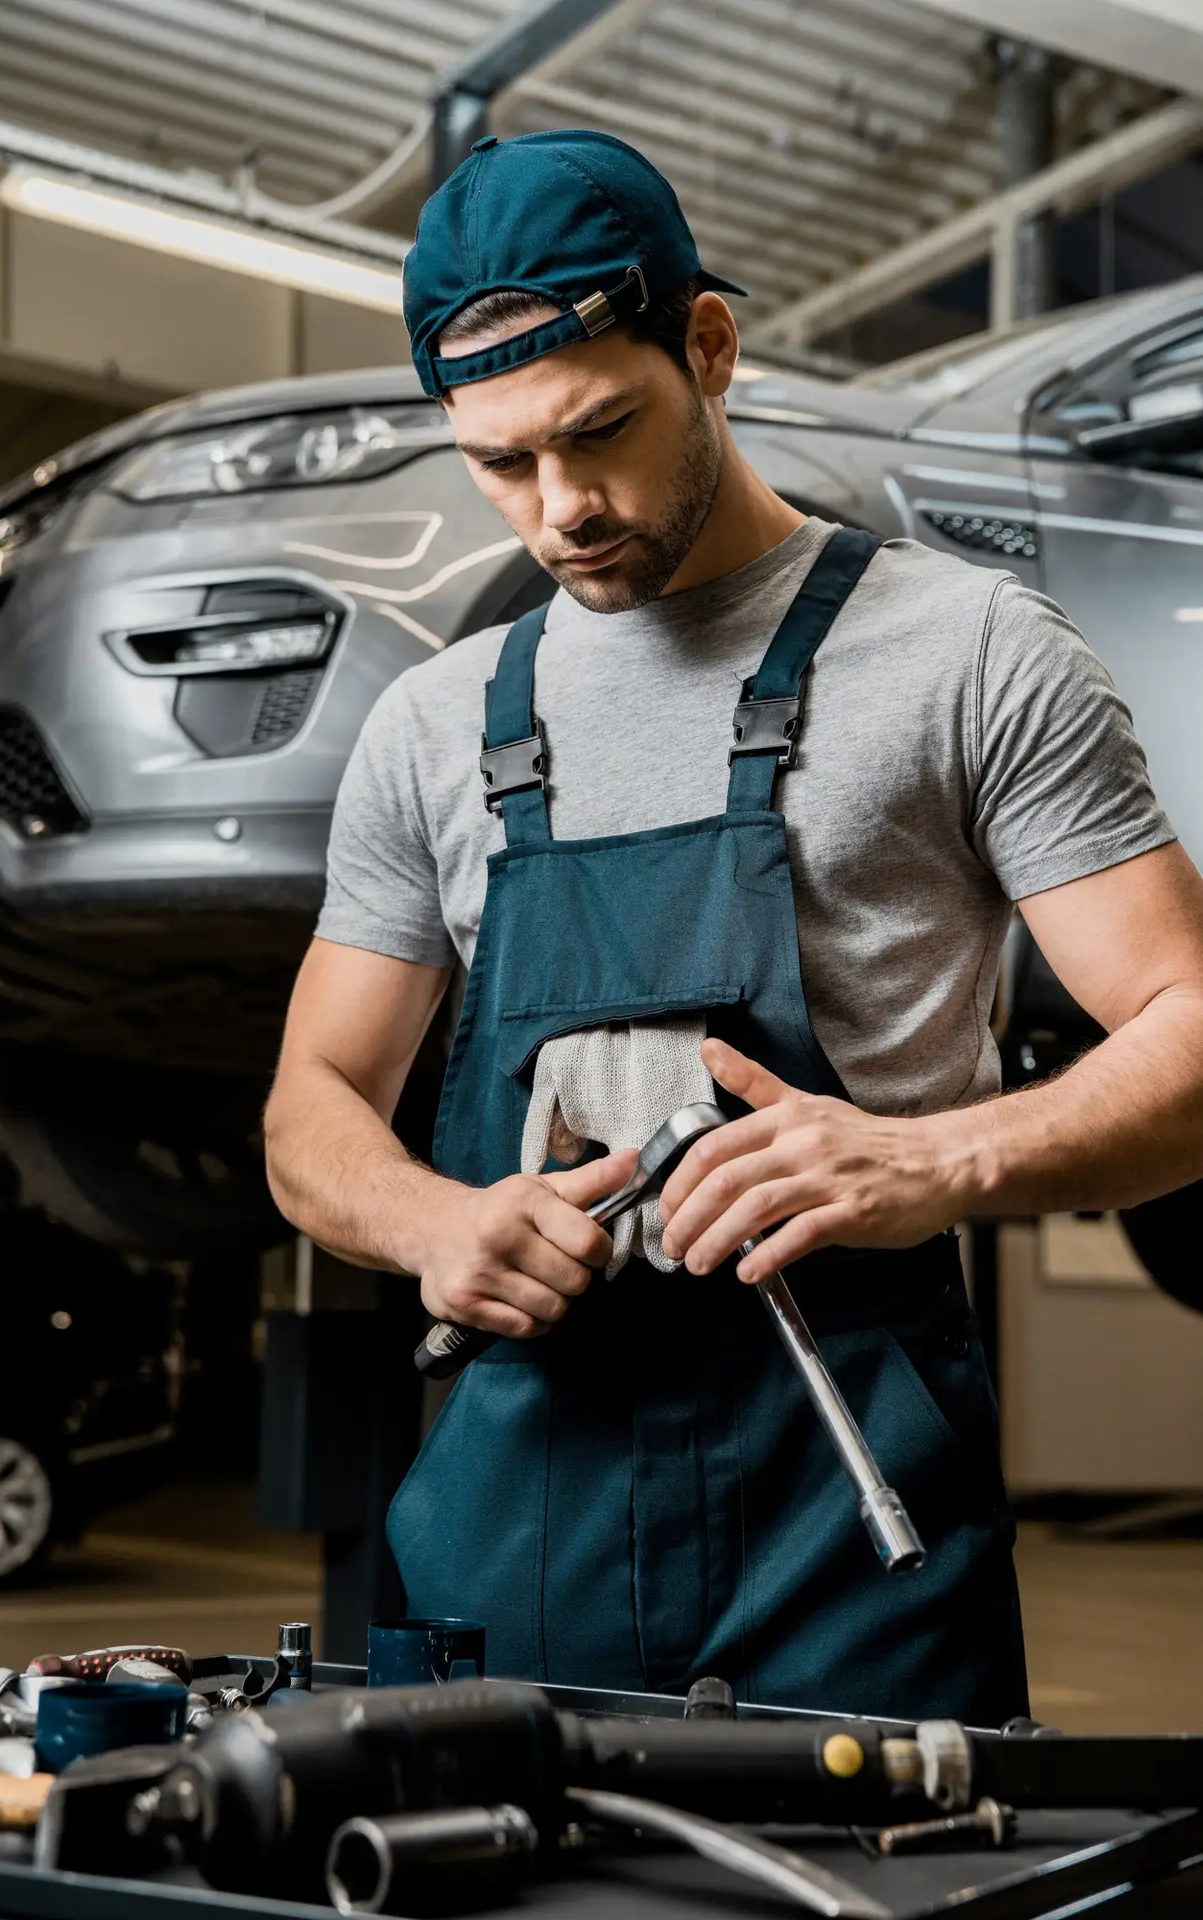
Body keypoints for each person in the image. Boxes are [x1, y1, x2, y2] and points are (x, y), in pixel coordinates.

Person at [265, 130, 1203, 1720]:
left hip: (852, 1532)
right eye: (499, 464)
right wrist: (432, 1224)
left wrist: (937, 1159)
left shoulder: (973, 654)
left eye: (600, 433)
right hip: (518, 1525)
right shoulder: (433, 727)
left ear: (710, 347)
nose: (560, 510)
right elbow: (309, 1112)